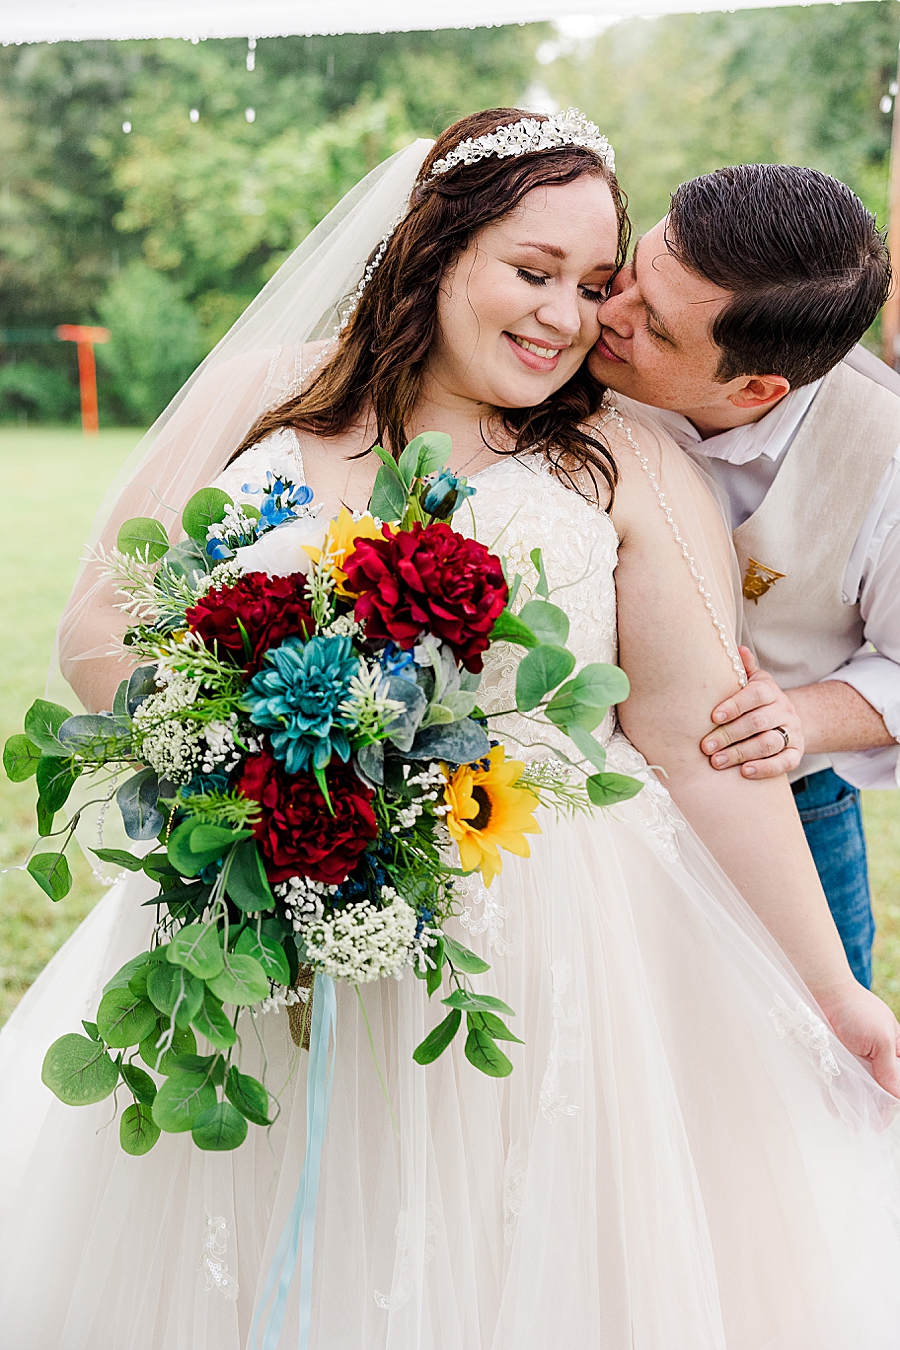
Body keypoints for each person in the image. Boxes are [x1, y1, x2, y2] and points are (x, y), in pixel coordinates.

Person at [1, 109, 900, 1350]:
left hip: (544, 960)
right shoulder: (270, 397)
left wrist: (834, 990)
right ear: (435, 248)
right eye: (534, 274)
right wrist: (249, 758)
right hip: (259, 904)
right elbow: (99, 626)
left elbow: (703, 745)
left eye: (594, 286)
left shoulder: (625, 459)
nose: (568, 319)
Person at [589, 165, 900, 988]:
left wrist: (799, 715)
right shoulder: (564, 360)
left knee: (822, 1075)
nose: (607, 314)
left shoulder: (887, 457)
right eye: (632, 270)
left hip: (790, 811)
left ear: (758, 387)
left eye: (652, 327)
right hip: (583, 815)